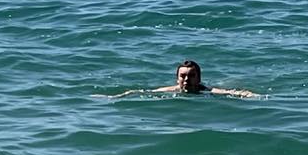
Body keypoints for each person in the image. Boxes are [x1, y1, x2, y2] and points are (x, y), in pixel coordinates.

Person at [103, 60, 259, 99]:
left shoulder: (206, 90)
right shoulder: (172, 90)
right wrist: (115, 96)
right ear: (177, 78)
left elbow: (230, 92)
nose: (186, 79)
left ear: (199, 78)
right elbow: (141, 92)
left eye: (191, 76)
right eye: (183, 76)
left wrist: (250, 95)